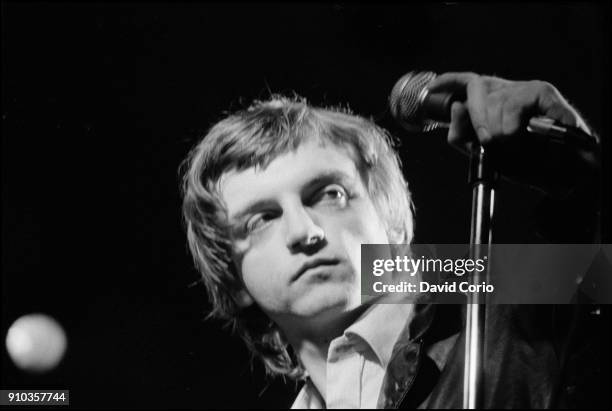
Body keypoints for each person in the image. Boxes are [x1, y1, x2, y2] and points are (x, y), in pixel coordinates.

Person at [180, 72, 606, 408]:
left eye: (330, 194)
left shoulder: (502, 306)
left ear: (393, 223)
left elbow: (598, 278)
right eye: (261, 219)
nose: (304, 232)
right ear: (233, 283)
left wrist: (583, 185)